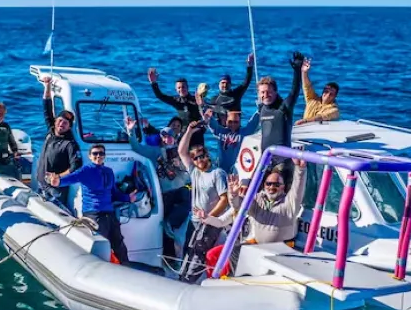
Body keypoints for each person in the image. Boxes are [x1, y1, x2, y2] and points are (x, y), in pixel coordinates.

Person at [209, 158, 308, 276]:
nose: (272, 187)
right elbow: (238, 205)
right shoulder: (257, 199)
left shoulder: (290, 204)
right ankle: (238, 278)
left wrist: (300, 168)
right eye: (269, 184)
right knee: (234, 251)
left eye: (276, 184)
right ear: (264, 185)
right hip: (258, 246)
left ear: (283, 187)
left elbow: (298, 188)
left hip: (282, 250)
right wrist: (233, 195)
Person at [46, 144, 136, 265]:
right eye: (95, 153)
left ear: (104, 156)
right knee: (102, 247)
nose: (98, 156)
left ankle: (126, 269)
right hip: (94, 215)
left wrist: (128, 198)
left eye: (101, 153)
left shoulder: (109, 172)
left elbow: (114, 192)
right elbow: (70, 178)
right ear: (90, 156)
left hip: (109, 214)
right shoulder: (85, 170)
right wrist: (57, 182)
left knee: (119, 244)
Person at [124, 117, 191, 257]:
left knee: (179, 221)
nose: (167, 139)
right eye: (164, 136)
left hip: (182, 191)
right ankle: (169, 253)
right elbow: (136, 147)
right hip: (165, 194)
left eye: (170, 136)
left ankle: (181, 251)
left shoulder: (181, 152)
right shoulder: (155, 152)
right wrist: (131, 131)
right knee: (165, 224)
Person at [177, 121, 229, 283]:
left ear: (207, 155)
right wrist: (189, 131)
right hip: (194, 220)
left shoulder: (217, 173)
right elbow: (181, 151)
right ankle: (182, 278)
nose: (199, 159)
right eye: (195, 158)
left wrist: (208, 217)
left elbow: (224, 199)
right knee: (188, 249)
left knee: (199, 254)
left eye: (201, 156)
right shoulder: (194, 171)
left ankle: (190, 282)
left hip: (210, 222)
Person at [257, 51, 305, 185]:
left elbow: (294, 91)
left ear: (275, 92)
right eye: (262, 92)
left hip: (282, 162)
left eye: (269, 92)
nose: (265, 95)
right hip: (266, 160)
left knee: (275, 189)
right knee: (254, 188)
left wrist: (297, 70)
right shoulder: (262, 108)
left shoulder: (284, 107)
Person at [35, 76, 83, 206]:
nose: (62, 124)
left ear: (69, 127)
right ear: (56, 121)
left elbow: (76, 165)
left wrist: (58, 176)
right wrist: (47, 86)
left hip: (56, 190)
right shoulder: (51, 131)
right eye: (60, 120)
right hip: (41, 184)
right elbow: (47, 108)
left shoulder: (70, 144)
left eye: (66, 123)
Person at [148, 68, 204, 147]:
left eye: (183, 87)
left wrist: (202, 104)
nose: (181, 89)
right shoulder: (176, 101)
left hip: (197, 133)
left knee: (198, 153)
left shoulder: (195, 100)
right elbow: (160, 96)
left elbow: (206, 112)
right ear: (176, 90)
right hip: (183, 134)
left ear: (187, 88)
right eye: (179, 88)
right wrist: (153, 83)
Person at [199, 107, 260, 173]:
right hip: (221, 170)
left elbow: (254, 121)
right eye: (230, 122)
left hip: (236, 171)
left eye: (236, 122)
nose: (233, 124)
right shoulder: (220, 132)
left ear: (240, 122)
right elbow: (208, 119)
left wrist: (260, 108)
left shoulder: (244, 133)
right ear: (226, 122)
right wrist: (203, 107)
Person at [206, 53, 255, 124]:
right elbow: (208, 114)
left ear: (231, 85)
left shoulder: (236, 94)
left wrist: (249, 66)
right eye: (223, 83)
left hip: (236, 128)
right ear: (219, 84)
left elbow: (246, 82)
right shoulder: (214, 99)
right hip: (221, 129)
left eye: (227, 83)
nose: (225, 85)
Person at [296, 58, 340, 124]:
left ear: (335, 96)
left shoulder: (334, 110)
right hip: (304, 127)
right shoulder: (311, 99)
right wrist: (304, 72)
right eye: (326, 92)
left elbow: (321, 117)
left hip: (317, 129)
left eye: (331, 94)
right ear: (322, 92)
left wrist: (305, 121)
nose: (328, 95)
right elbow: (307, 86)